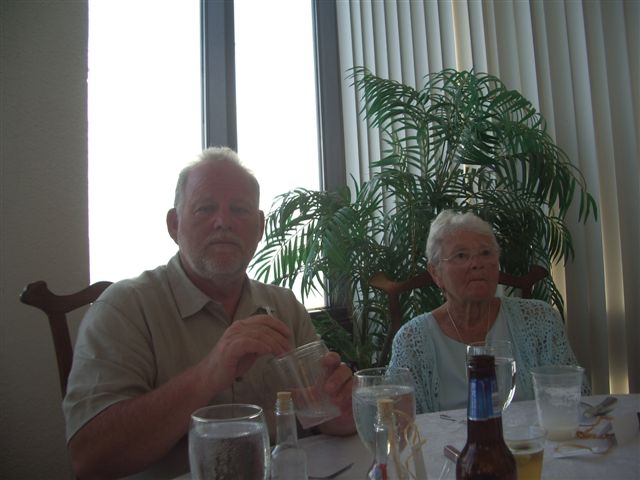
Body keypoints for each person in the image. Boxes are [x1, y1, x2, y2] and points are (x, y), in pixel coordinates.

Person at [63, 147, 355, 479]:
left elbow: (325, 415)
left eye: (239, 210)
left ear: (260, 227)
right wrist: (209, 373)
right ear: (174, 224)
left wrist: (339, 411)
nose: (224, 222)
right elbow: (89, 457)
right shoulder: (124, 309)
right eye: (205, 208)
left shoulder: (285, 306)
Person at [389, 209, 589, 414]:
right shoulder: (411, 341)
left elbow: (575, 400)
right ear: (435, 272)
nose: (477, 264)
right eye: (461, 255)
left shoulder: (540, 320)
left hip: (533, 435)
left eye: (485, 253)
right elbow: (400, 422)